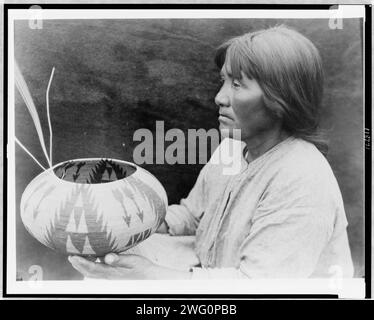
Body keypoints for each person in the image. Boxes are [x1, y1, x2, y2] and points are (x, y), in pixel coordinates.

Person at [68, 25, 354, 279]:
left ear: (282, 99)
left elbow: (259, 288)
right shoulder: (234, 147)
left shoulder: (302, 178)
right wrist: (126, 223)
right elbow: (193, 215)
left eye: (237, 84)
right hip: (209, 267)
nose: (219, 97)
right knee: (111, 257)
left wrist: (148, 276)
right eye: (224, 81)